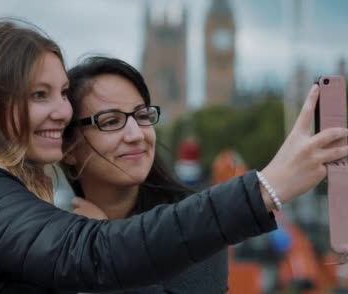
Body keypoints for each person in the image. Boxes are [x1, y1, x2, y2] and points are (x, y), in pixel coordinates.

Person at [0, 18, 348, 294]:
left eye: (142, 115)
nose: (59, 110)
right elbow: (98, 257)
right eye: (40, 95)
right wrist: (267, 186)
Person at [60, 56, 229, 293]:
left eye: (142, 116)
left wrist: (104, 252)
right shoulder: (55, 235)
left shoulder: (196, 220)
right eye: (110, 121)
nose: (136, 135)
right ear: (68, 148)